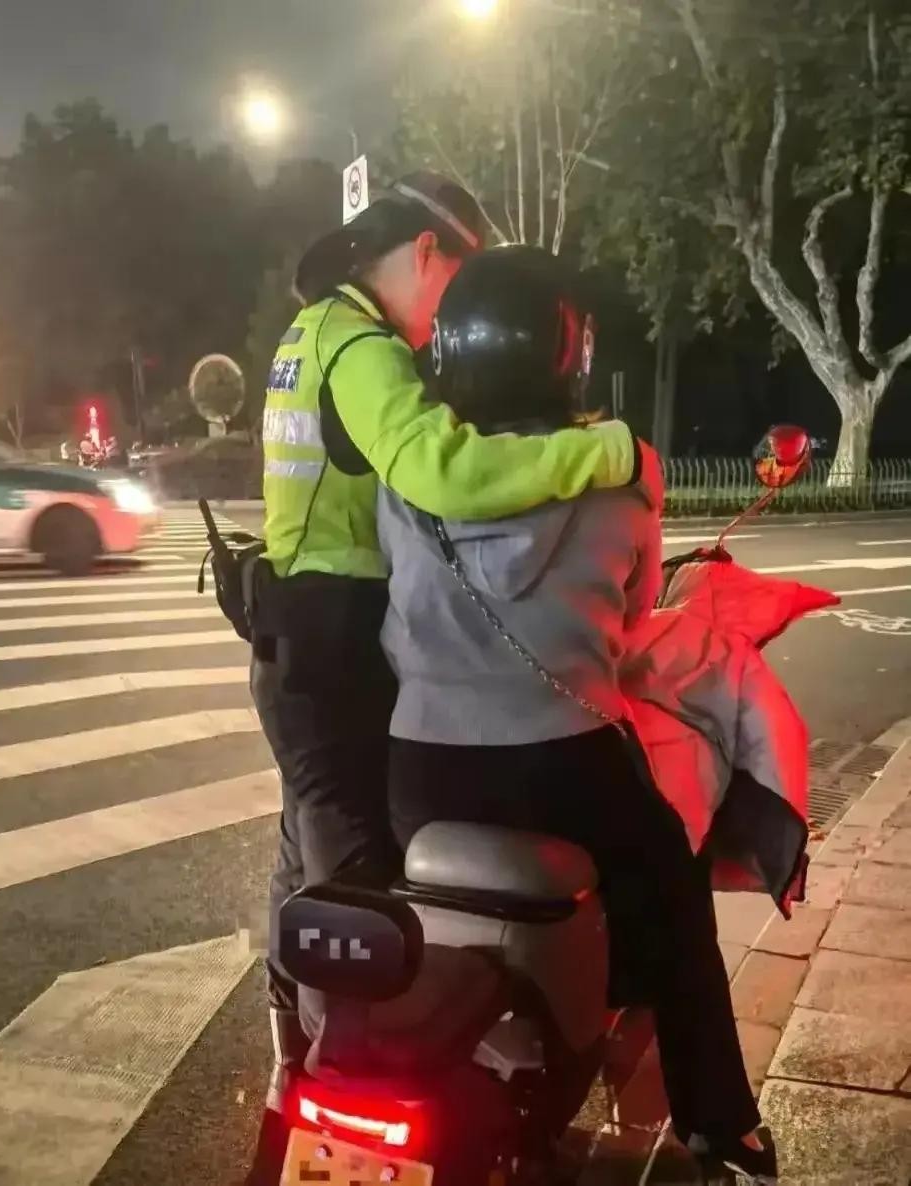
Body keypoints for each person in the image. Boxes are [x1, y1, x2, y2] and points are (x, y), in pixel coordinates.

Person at [250, 174, 657, 1112]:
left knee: (304, 856)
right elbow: (444, 472)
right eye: (459, 285)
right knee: (356, 881)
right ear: (429, 253)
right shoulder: (362, 348)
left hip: (294, 641)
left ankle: (293, 1056)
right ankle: (344, 1086)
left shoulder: (310, 330)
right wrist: (608, 452)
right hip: (333, 649)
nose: (452, 320)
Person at [377, 246, 776, 1183]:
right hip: (564, 763)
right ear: (570, 357)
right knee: (675, 900)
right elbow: (630, 624)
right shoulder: (624, 473)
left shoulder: (407, 475)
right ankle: (720, 1123)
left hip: (420, 771)